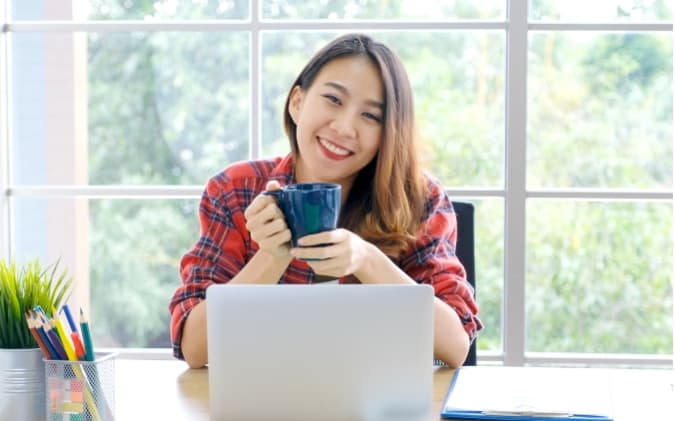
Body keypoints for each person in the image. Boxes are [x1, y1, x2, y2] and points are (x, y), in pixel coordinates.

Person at [169, 33, 482, 369]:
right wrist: (272, 257)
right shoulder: (235, 189)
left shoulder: (419, 199)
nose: (345, 127)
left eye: (371, 116)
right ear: (297, 103)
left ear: (388, 132)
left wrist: (367, 260)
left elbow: (455, 346)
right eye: (334, 99)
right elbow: (195, 349)